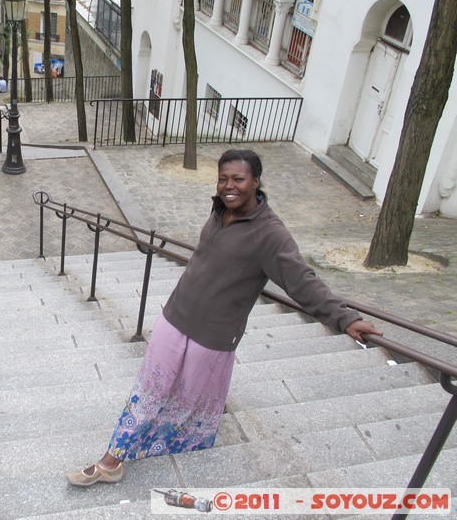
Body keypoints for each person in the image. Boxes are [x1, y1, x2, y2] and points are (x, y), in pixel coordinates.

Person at [66, 149, 383, 487]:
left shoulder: (269, 234)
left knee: (191, 407)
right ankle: (112, 459)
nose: (228, 186)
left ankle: (178, 460)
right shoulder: (220, 210)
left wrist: (344, 319)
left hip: (212, 339)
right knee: (149, 392)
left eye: (238, 179)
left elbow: (301, 280)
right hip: (174, 318)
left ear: (256, 182)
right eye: (223, 179)